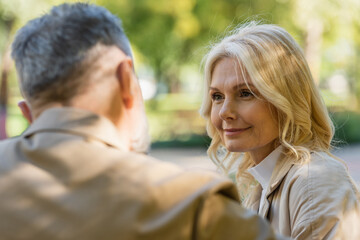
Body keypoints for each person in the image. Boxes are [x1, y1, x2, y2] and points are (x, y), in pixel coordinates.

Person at [0, 3, 287, 240]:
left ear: (28, 113)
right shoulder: (189, 207)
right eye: (216, 96)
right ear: (126, 80)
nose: (225, 111)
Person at [200, 22, 360, 239]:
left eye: (245, 93)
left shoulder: (313, 182)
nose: (224, 112)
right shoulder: (262, 183)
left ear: (287, 99)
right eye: (217, 96)